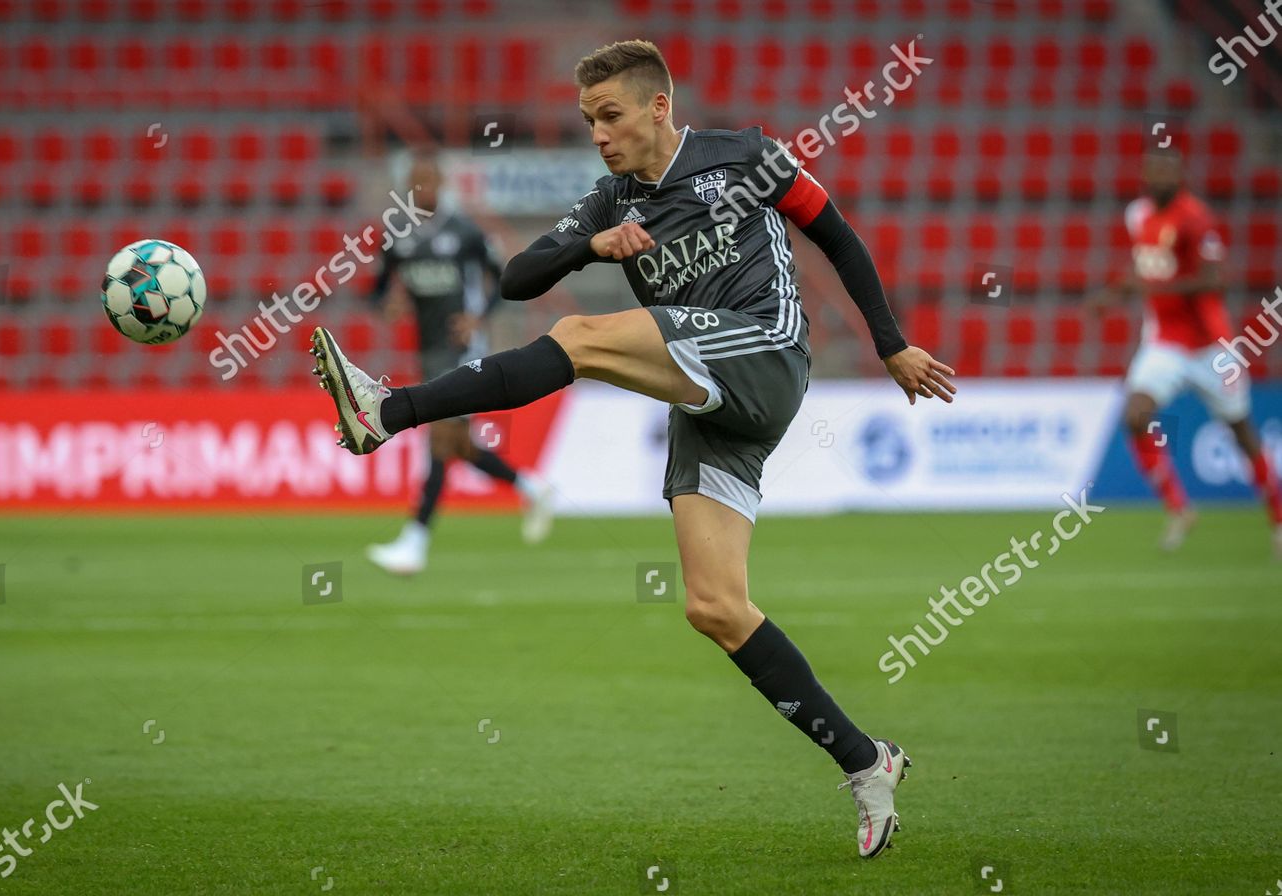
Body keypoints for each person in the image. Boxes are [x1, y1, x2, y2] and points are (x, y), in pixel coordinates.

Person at [310, 40, 956, 857]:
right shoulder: (609, 199)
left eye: (611, 116)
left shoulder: (745, 156)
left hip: (763, 351)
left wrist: (892, 344)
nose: (599, 134)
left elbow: (838, 237)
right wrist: (591, 244)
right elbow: (517, 276)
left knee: (578, 335)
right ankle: (868, 763)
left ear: (659, 106)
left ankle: (388, 411)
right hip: (707, 395)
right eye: (588, 120)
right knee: (714, 607)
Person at [361, 152, 553, 575]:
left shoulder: (465, 231)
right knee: (458, 445)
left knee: (440, 441)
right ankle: (531, 488)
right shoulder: (397, 237)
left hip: (464, 350)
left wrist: (477, 318)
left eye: (430, 180)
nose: (424, 188)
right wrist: (388, 302)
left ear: (442, 183)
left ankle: (414, 542)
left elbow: (504, 281)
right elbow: (375, 290)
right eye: (417, 180)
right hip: (429, 352)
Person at [1093, 147, 1282, 555]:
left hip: (1209, 346)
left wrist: (1153, 288)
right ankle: (1180, 510)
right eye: (1153, 172)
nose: (1159, 179)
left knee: (1241, 431)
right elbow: (1148, 265)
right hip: (1164, 343)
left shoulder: (1195, 219)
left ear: (1179, 178)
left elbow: (1214, 281)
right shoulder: (1138, 216)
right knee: (1135, 414)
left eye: (1167, 172)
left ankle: (1279, 519)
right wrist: (1112, 294)